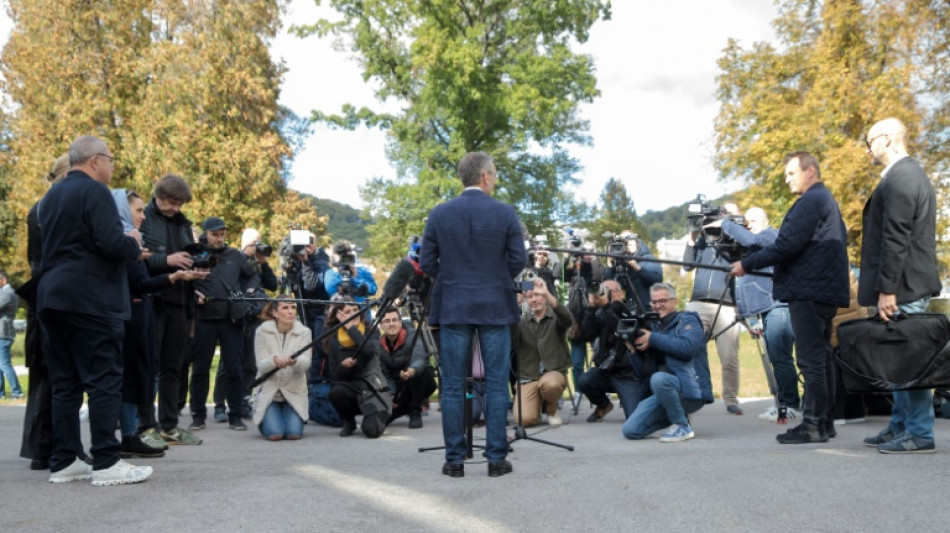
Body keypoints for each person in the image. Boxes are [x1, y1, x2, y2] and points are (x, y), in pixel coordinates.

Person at [36, 135, 152, 485]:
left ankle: (65, 460)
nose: (113, 166)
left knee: (66, 383)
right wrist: (131, 242)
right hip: (90, 299)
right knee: (104, 380)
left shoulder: (50, 197)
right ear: (95, 160)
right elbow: (108, 242)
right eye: (111, 159)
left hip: (52, 297)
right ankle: (105, 461)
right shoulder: (95, 191)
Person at [420, 151, 527, 478]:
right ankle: (496, 459)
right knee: (496, 383)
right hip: (495, 304)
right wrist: (495, 280)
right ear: (485, 176)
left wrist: (453, 280)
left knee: (451, 385)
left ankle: (455, 460)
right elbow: (518, 260)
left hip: (454, 304)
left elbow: (426, 264)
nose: (494, 179)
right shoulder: (504, 213)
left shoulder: (439, 214)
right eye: (493, 174)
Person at [731, 151, 850, 444]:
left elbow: (787, 245)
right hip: (821, 290)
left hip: (809, 291)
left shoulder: (811, 201)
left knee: (811, 361)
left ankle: (812, 426)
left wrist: (747, 264)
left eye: (792, 173)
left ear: (810, 170)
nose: (787, 180)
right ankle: (824, 423)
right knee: (822, 358)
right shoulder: (826, 201)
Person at [859, 117, 942, 454]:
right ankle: (901, 425)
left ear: (889, 138)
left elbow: (896, 237)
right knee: (898, 363)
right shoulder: (902, 176)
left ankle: (919, 432)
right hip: (903, 284)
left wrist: (887, 289)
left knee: (910, 361)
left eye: (870, 141)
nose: (868, 150)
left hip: (903, 287)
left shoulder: (903, 177)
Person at [717, 207, 799, 421]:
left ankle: (790, 405)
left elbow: (752, 241)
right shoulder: (755, 242)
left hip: (778, 305)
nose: (748, 225)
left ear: (765, 220)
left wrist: (726, 222)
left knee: (781, 357)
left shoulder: (771, 235)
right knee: (775, 356)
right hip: (767, 307)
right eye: (746, 222)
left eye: (752, 221)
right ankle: (781, 403)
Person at [139, 174, 202, 446]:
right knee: (148, 367)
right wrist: (167, 260)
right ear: (159, 195)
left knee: (173, 367)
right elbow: (136, 257)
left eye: (179, 203)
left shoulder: (184, 224)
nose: (175, 207)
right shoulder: (144, 218)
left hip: (180, 301)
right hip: (153, 300)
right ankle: (145, 426)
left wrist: (197, 266)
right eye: (171, 202)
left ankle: (170, 425)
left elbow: (188, 255)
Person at [20, 154, 70, 470]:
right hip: (49, 299)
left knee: (49, 378)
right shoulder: (50, 207)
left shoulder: (42, 206)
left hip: (43, 296)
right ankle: (44, 447)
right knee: (50, 377)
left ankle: (44, 447)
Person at [188, 217, 260, 431]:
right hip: (204, 318)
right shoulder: (195, 254)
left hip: (231, 319)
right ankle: (198, 416)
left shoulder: (236, 256)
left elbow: (253, 276)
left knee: (235, 369)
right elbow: (183, 282)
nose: (219, 238)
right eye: (214, 234)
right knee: (200, 369)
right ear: (206, 233)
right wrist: (193, 293)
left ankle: (235, 416)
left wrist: (249, 290)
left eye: (222, 234)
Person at [622, 283, 712, 441]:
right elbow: (645, 372)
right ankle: (679, 416)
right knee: (630, 430)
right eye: (654, 302)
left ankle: (681, 425)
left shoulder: (688, 319)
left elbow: (687, 349)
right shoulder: (655, 327)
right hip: (664, 391)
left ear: (674, 302)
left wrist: (653, 338)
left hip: (691, 390)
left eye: (662, 301)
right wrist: (632, 349)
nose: (658, 306)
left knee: (660, 379)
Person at [212, 228, 278, 423]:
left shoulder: (259, 264)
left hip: (256, 316)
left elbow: (273, 285)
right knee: (228, 364)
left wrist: (263, 263)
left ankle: (243, 402)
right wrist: (244, 256)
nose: (257, 246)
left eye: (259, 241)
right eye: (254, 242)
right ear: (244, 244)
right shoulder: (233, 258)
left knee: (250, 363)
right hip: (236, 317)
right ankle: (219, 406)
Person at [684, 211, 743, 415]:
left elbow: (745, 252)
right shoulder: (702, 242)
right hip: (698, 303)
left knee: (729, 356)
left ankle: (731, 399)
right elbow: (687, 265)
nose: (712, 229)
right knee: (688, 349)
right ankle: (693, 393)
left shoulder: (733, 244)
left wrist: (729, 228)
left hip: (726, 304)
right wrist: (692, 238)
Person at [575, 279, 649, 422]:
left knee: (635, 419)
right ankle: (604, 405)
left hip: (628, 375)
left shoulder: (633, 310)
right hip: (607, 372)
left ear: (621, 293)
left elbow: (628, 331)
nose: (606, 294)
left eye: (610, 291)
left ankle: (645, 398)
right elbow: (586, 335)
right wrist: (591, 307)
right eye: (603, 291)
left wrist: (607, 307)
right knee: (584, 380)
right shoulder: (600, 313)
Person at [511, 278, 572, 427]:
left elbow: (568, 319)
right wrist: (513, 307)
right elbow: (510, 337)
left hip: (553, 372)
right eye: (529, 296)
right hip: (529, 376)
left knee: (551, 385)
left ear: (544, 297)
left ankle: (551, 409)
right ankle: (535, 407)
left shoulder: (555, 317)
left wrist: (546, 292)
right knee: (524, 420)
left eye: (537, 295)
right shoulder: (520, 320)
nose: (533, 300)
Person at [324, 298, 387, 438]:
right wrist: (343, 366)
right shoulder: (334, 339)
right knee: (335, 392)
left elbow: (370, 351)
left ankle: (378, 413)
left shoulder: (371, 331)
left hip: (371, 387)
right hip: (350, 388)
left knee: (372, 431)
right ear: (340, 317)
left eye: (355, 310)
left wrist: (352, 329)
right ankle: (348, 421)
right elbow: (334, 375)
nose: (353, 314)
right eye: (348, 312)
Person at [253, 296, 312, 441]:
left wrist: (295, 361)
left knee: (294, 434)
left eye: (293, 307)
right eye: (285, 308)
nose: (291, 311)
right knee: (276, 434)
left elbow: (306, 364)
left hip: (294, 392)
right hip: (270, 392)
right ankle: (263, 416)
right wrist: (274, 361)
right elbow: (261, 365)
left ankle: (289, 414)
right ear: (275, 313)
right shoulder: (262, 331)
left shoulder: (305, 332)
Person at [377, 307, 437, 429]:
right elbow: (386, 375)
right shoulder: (379, 347)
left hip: (421, 382)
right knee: (378, 422)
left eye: (395, 320)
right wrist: (392, 395)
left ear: (400, 322)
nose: (392, 324)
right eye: (387, 321)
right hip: (400, 388)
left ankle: (415, 410)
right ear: (381, 325)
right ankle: (403, 408)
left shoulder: (413, 336)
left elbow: (419, 358)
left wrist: (412, 370)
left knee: (421, 372)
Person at [604, 231, 663, 313]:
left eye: (629, 239)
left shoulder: (647, 258)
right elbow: (609, 285)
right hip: (627, 310)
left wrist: (638, 268)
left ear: (637, 242)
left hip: (646, 310)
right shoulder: (619, 263)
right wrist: (610, 265)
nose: (627, 242)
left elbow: (657, 280)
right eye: (623, 241)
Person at [0, 271, 22, 399]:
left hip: (3, 333)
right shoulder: (5, 293)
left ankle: (17, 391)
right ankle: (1, 393)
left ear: (2, 280)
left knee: (4, 364)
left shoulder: (8, 293)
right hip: (2, 332)